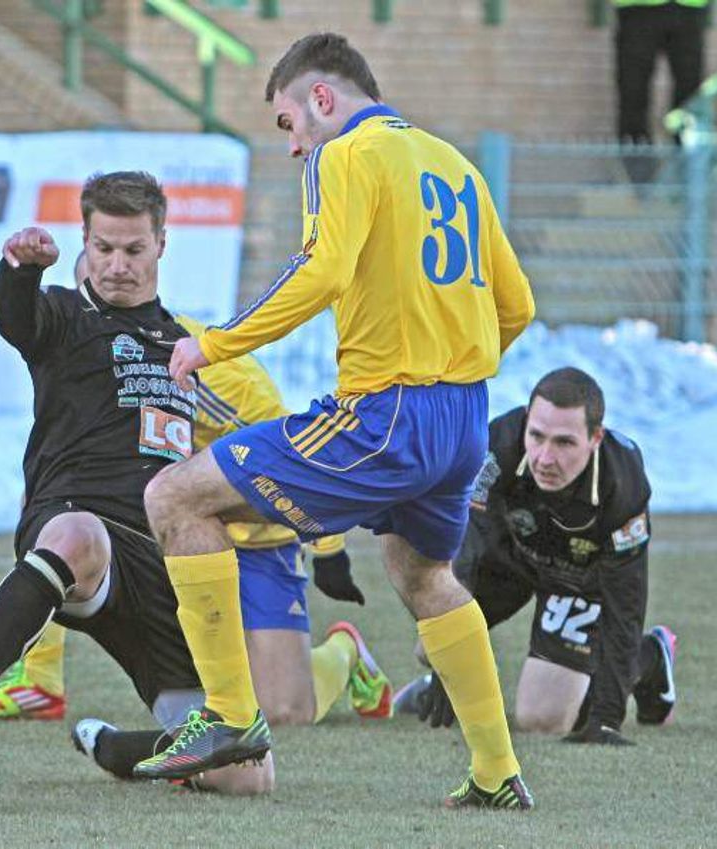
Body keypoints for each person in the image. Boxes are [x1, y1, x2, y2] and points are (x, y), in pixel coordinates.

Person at [134, 33, 538, 811]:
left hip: (385, 414)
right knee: (423, 574)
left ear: (322, 98)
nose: (293, 147)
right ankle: (496, 771)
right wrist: (450, 360)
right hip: (463, 419)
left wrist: (216, 342)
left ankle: (230, 715)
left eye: (288, 123)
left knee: (174, 497)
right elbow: (515, 305)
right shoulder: (454, 163)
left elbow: (320, 269)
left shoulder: (344, 153)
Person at [0, 171, 273, 795]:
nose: (117, 265)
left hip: (158, 562)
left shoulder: (183, 346)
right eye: (104, 247)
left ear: (161, 243)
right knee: (80, 534)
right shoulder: (63, 314)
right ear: (85, 241)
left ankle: (117, 749)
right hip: (75, 528)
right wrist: (19, 270)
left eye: (133, 249)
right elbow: (14, 317)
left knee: (246, 775)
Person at [0, 254, 395, 735]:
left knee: (282, 710)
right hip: (165, 534)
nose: (86, 314)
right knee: (57, 506)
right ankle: (40, 679)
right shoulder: (79, 352)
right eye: (80, 301)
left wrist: (329, 549)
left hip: (254, 539)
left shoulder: (205, 368)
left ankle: (344, 653)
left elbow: (295, 453)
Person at [393, 368, 678, 746]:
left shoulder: (623, 484)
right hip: (511, 562)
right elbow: (464, 549)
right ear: (526, 423)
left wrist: (606, 720)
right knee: (430, 633)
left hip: (577, 582)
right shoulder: (497, 446)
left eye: (564, 443)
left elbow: (624, 603)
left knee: (543, 718)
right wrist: (451, 664)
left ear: (595, 438)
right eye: (537, 436)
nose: (545, 457)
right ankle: (439, 680)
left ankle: (651, 656)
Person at [614, 0, 709, 183]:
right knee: (632, 94)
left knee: (690, 100)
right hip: (637, 9)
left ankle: (686, 171)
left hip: (688, 9)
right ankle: (637, 176)